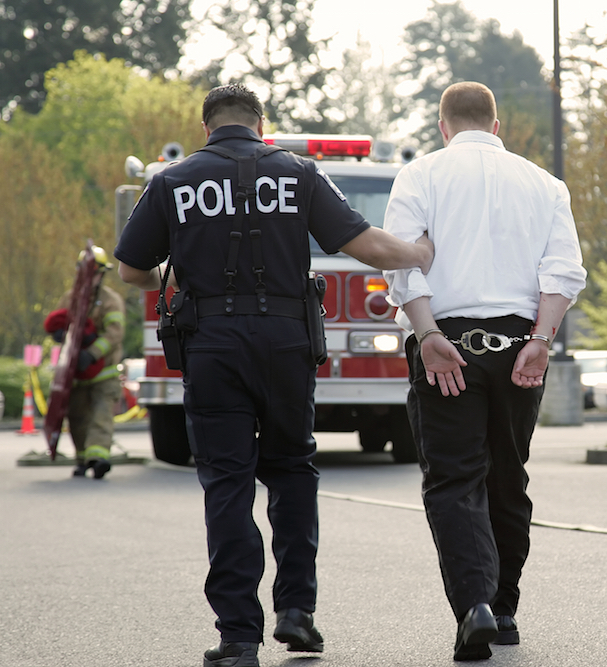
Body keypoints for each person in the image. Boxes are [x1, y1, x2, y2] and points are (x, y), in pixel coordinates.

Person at [114, 83, 434, 667]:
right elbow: (366, 245)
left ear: (206, 125)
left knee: (228, 484)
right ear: (261, 124)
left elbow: (134, 270)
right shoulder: (299, 174)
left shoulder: (171, 180)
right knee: (291, 469)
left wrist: (179, 274)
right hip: (287, 344)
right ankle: (297, 613)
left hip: (210, 348)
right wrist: (422, 254)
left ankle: (238, 637)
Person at [382, 81, 586, 661]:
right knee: (508, 470)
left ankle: (473, 606)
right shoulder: (545, 184)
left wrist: (427, 336)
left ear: (443, 127)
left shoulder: (420, 176)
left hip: (446, 340)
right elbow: (563, 272)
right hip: (520, 343)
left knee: (454, 477)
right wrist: (541, 342)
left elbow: (402, 268)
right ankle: (505, 607)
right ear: (497, 128)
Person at [45, 246, 125, 479]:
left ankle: (98, 458)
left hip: (104, 373)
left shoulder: (111, 301)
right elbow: (59, 322)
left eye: (96, 273)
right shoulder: (70, 298)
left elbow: (114, 334)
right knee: (77, 417)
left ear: (102, 274)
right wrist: (59, 336)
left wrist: (91, 354)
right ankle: (82, 458)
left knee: (101, 416)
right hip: (77, 374)